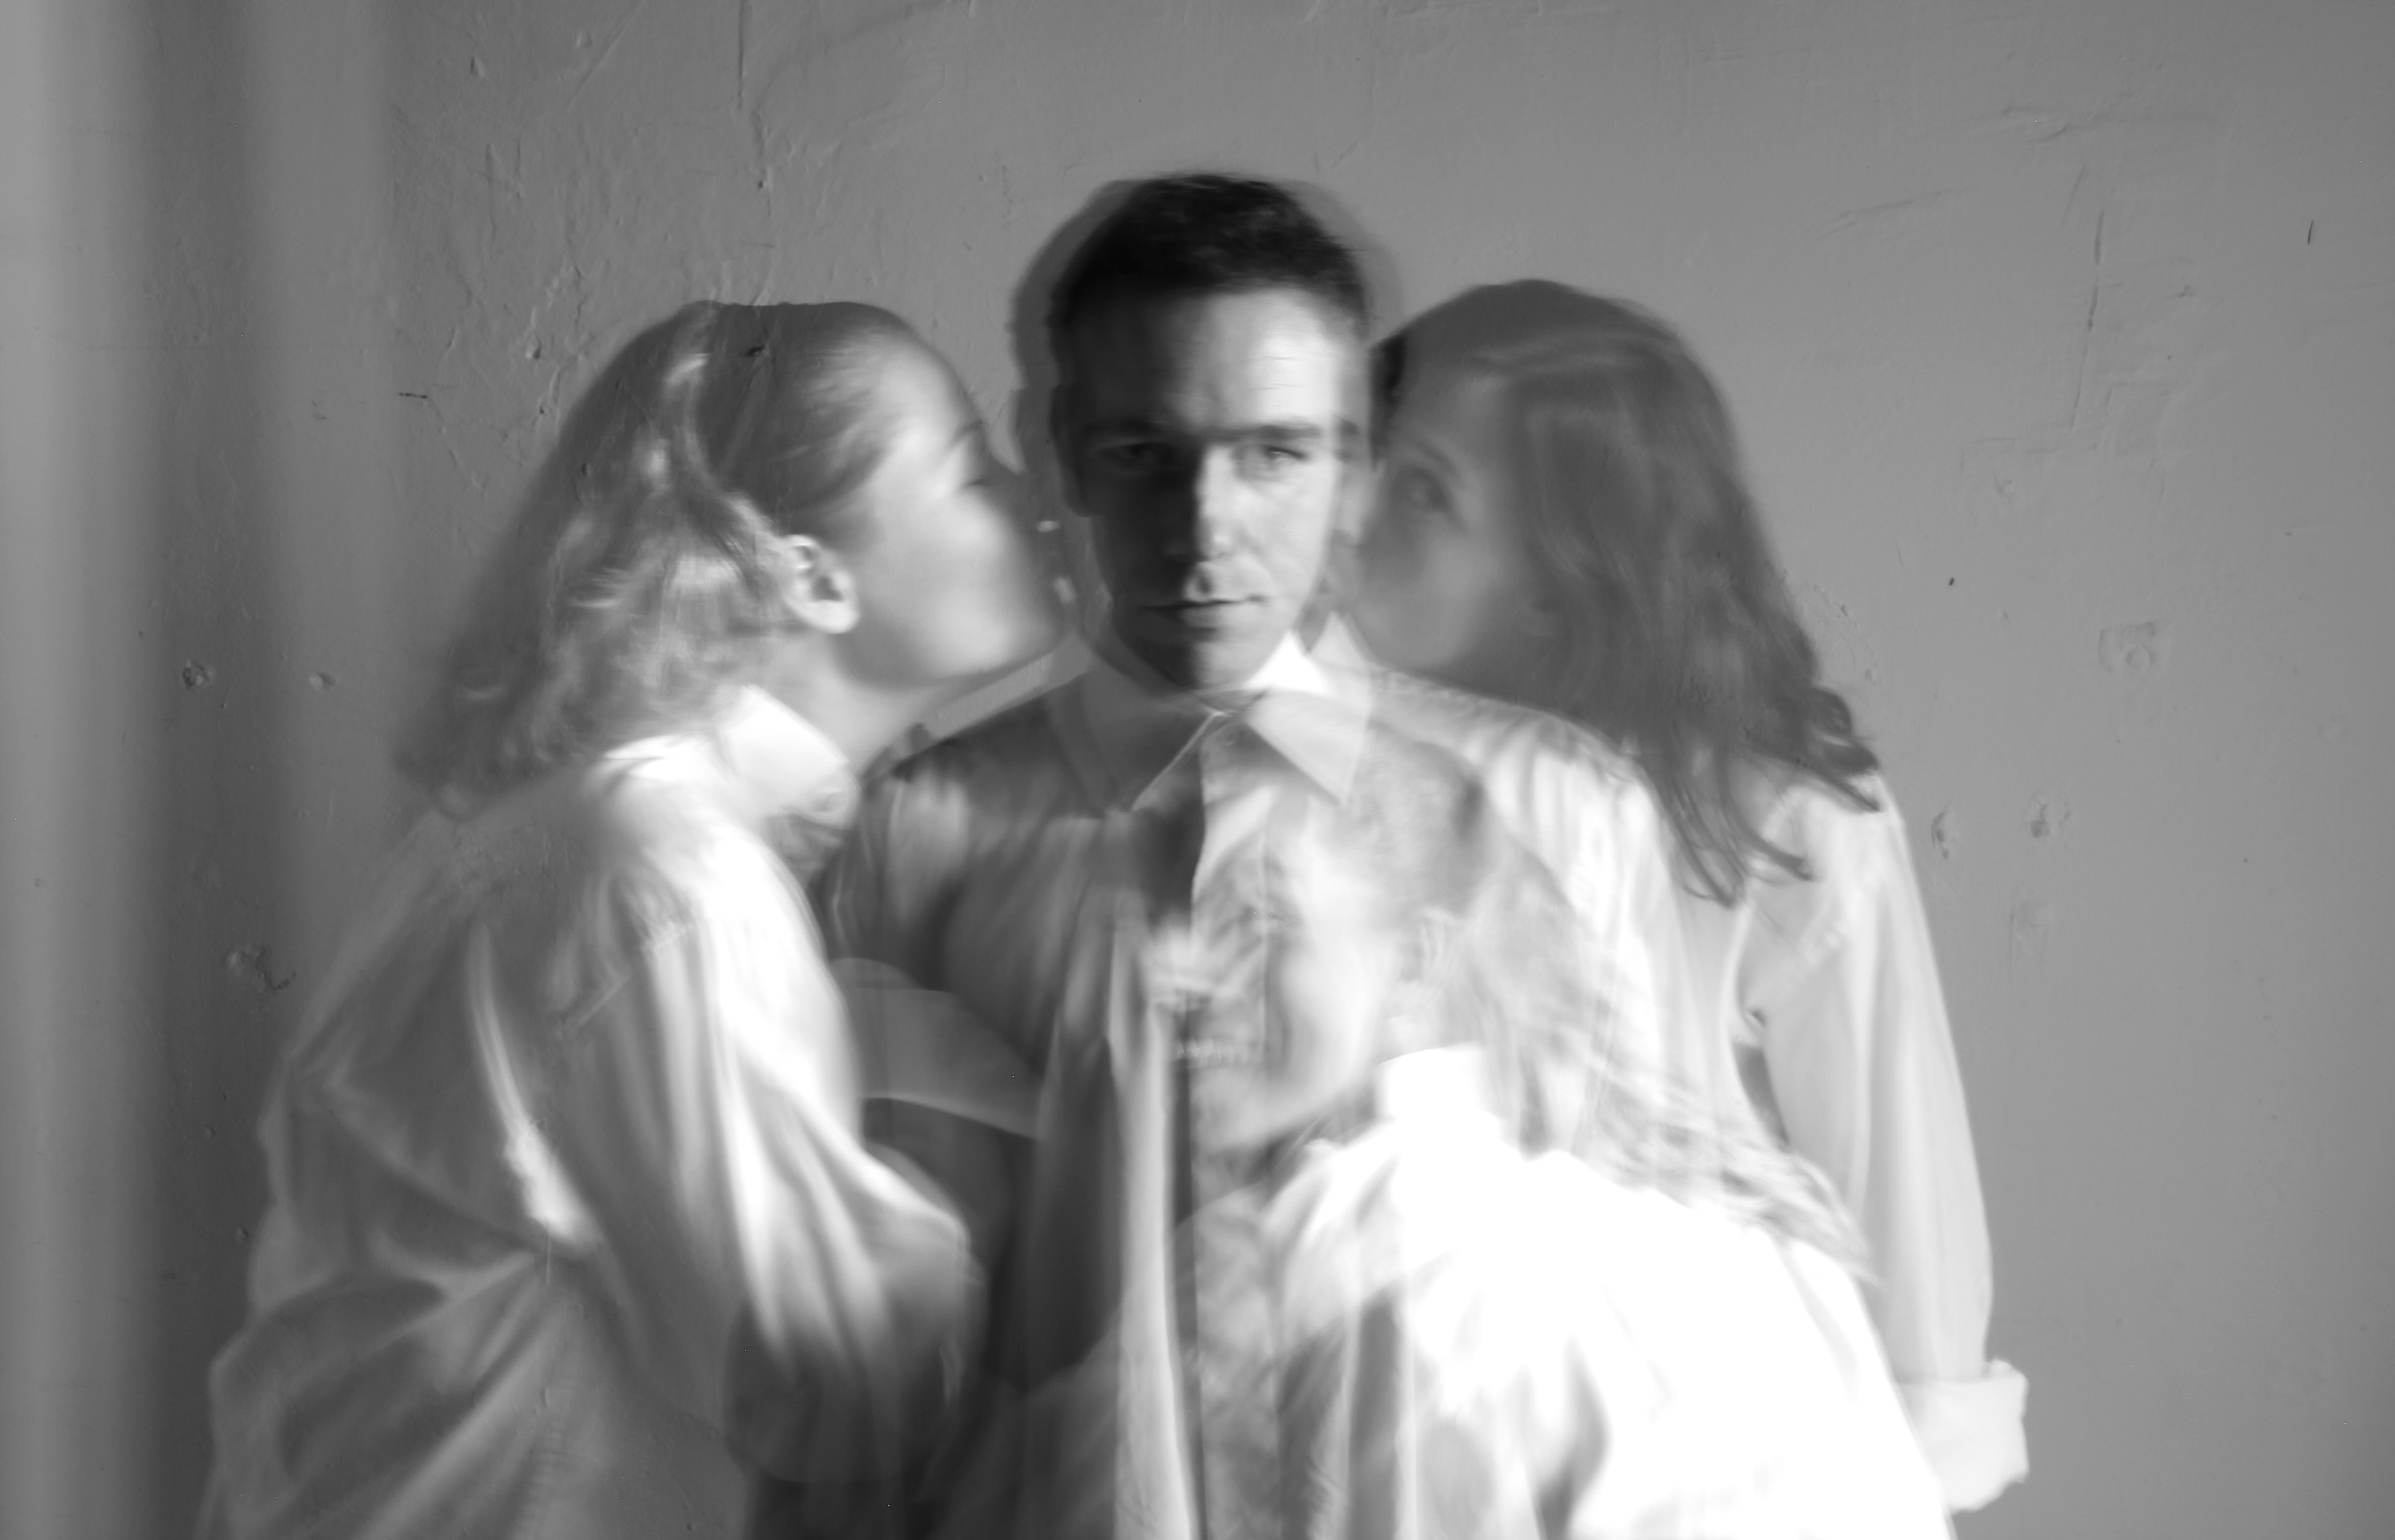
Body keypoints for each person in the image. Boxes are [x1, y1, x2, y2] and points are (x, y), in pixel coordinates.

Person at [821, 176, 1949, 1540]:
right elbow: (878, 1337)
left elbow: (1650, 1284)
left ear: (1356, 468)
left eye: (1276, 453)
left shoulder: (1554, 804)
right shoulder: (921, 824)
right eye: (1143, 451)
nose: (1206, 523)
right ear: (1063, 450)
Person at [198, 299, 1062, 1540]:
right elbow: (824, 1388)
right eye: (975, 469)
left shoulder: (607, 828)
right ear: (812, 575)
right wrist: (1021, 1136)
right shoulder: (664, 874)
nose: (1040, 496)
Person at [1339, 279, 2029, 1511]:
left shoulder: (1781, 824)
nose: (1349, 509)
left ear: (1559, 572)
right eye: (1365, 455)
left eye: (1424, 489)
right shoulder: (1295, 765)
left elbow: (1903, 1220)